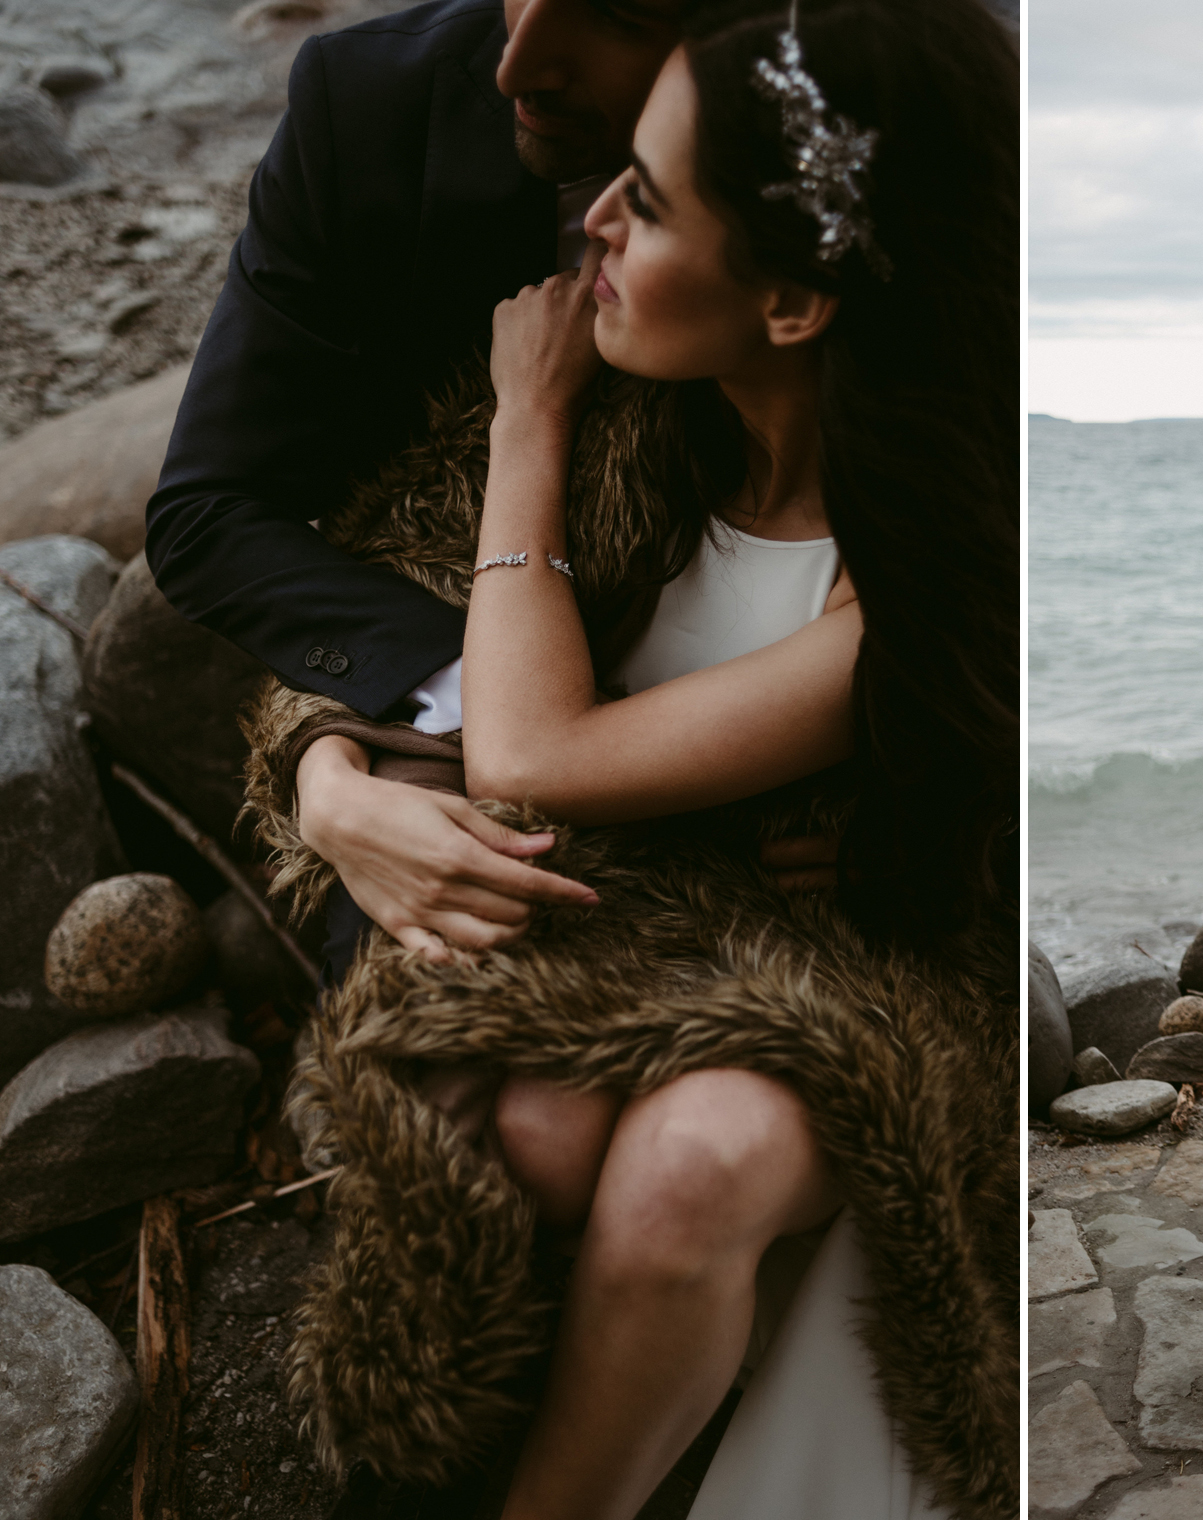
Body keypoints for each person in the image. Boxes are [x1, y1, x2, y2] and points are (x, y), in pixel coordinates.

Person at [229, 0, 1016, 1516]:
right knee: (526, 1117)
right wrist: (330, 778)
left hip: (888, 968)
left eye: (644, 204)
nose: (587, 220)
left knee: (691, 1168)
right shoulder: (649, 423)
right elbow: (370, 617)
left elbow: (525, 748)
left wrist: (530, 418)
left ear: (790, 305)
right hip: (661, 930)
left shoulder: (907, 573)